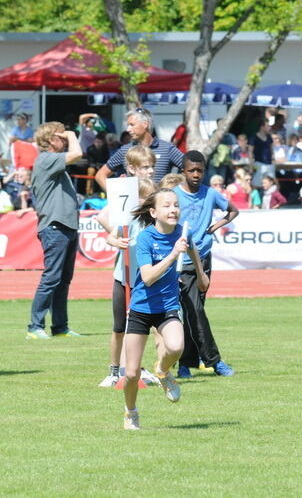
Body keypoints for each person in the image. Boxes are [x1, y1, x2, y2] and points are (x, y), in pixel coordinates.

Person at [121, 188, 209, 430]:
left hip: (167, 306)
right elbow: (148, 277)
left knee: (176, 346)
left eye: (176, 205)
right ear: (153, 212)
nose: (173, 210)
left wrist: (201, 274)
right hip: (141, 308)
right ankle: (131, 412)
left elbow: (192, 248)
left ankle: (162, 370)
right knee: (131, 374)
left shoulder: (182, 233)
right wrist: (173, 254)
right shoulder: (145, 238)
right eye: (167, 205)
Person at [174, 150, 238, 378]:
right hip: (182, 261)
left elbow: (233, 211)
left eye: (200, 170)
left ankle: (185, 364)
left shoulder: (210, 194)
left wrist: (215, 227)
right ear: (183, 171)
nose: (196, 174)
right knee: (194, 310)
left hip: (203, 257)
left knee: (194, 311)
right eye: (191, 170)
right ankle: (214, 361)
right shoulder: (174, 195)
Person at [26, 122, 83, 339]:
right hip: (55, 225)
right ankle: (35, 326)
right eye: (62, 137)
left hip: (66, 225)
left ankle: (60, 326)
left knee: (63, 280)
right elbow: (77, 154)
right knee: (51, 277)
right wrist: (72, 133)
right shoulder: (46, 159)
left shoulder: (52, 161)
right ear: (51, 140)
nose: (66, 140)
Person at [98, 176, 157, 388]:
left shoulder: (155, 224)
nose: (146, 201)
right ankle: (114, 371)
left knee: (141, 329)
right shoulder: (128, 219)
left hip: (143, 282)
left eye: (150, 197)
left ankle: (138, 369)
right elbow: (110, 238)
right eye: (143, 197)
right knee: (119, 328)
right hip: (123, 279)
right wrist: (118, 242)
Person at [95, 108, 183, 189]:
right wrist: (115, 195)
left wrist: (178, 192)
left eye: (132, 125)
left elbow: (188, 169)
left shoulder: (167, 148)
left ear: (145, 124)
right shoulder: (125, 150)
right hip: (133, 201)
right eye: (128, 125)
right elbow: (100, 175)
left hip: (160, 200)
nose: (128, 129)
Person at [249, 117, 274, 187]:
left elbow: (272, 151)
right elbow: (250, 152)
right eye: (267, 126)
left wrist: (273, 162)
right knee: (257, 185)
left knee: (270, 185)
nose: (269, 128)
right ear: (262, 127)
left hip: (269, 165)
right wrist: (251, 167)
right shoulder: (254, 138)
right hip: (258, 164)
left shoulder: (269, 138)